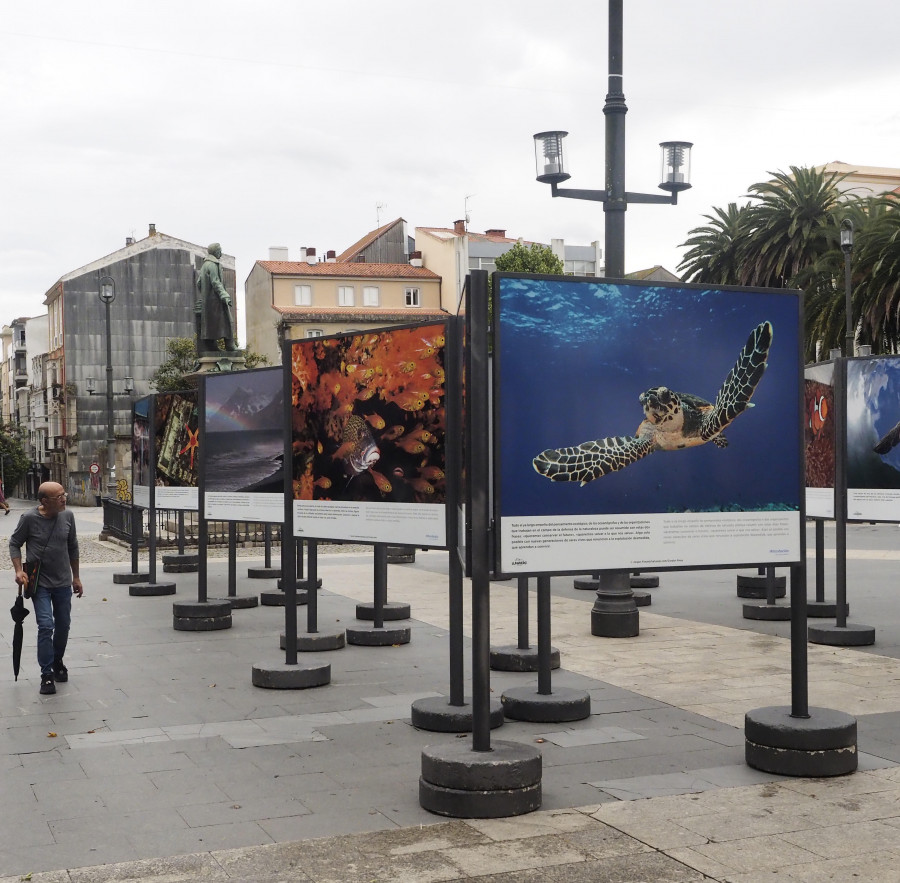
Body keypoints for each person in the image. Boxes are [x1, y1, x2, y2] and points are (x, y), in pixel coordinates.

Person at [9, 481, 82, 695]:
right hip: (39, 583)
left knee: (64, 625)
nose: (64, 498)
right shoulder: (29, 519)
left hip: (62, 582)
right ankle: (46, 673)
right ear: (44, 501)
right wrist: (18, 570)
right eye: (58, 496)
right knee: (46, 625)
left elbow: (73, 546)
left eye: (63, 494)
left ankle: (57, 660)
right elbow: (14, 542)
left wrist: (76, 577)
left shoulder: (68, 516)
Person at [196, 242, 238, 354]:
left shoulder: (205, 265)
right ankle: (230, 346)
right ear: (216, 251)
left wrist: (205, 294)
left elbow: (199, 283)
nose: (221, 252)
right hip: (217, 302)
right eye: (220, 250)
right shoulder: (213, 265)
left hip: (208, 302)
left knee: (211, 325)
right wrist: (224, 295)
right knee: (228, 322)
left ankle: (212, 346)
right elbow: (216, 282)